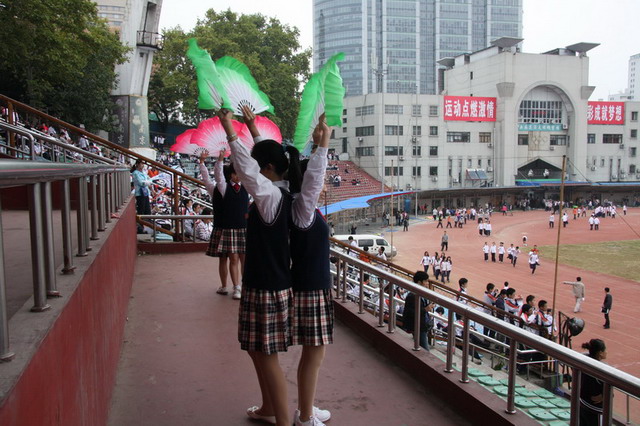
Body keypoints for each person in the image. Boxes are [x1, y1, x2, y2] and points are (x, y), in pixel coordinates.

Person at [221, 108, 298, 426]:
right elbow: (263, 160)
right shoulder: (281, 191)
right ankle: (268, 407)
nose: (252, 170)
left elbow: (248, 167)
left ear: (267, 168)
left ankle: (282, 420)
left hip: (267, 285)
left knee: (267, 358)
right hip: (266, 282)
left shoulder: (269, 196)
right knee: (257, 351)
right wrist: (253, 129)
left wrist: (229, 127)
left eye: (259, 165)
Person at [286, 116, 333, 426]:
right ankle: (304, 417)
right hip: (310, 287)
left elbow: (312, 178)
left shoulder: (302, 207)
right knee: (314, 354)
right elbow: (314, 177)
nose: (324, 184)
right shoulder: (302, 209)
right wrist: (323, 143)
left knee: (313, 354)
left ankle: (307, 408)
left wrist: (318, 144)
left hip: (311, 284)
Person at [211, 151, 249, 300]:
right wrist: (220, 160)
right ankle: (236, 287)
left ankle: (245, 285)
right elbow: (218, 176)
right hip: (231, 228)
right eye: (234, 173)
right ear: (230, 175)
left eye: (239, 173)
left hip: (244, 228)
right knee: (233, 259)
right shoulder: (224, 187)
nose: (237, 176)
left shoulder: (246, 187)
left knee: (244, 259)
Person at [579, 339, 607, 425]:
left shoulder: (583, 361)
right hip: (595, 408)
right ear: (600, 353)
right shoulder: (600, 369)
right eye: (605, 350)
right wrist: (604, 395)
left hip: (583, 403)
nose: (606, 352)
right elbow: (608, 391)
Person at [403, 271, 432, 351]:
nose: (427, 283)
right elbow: (410, 312)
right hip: (418, 326)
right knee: (425, 350)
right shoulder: (412, 295)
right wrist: (425, 309)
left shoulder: (419, 293)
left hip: (421, 325)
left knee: (423, 346)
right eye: (425, 281)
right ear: (419, 282)